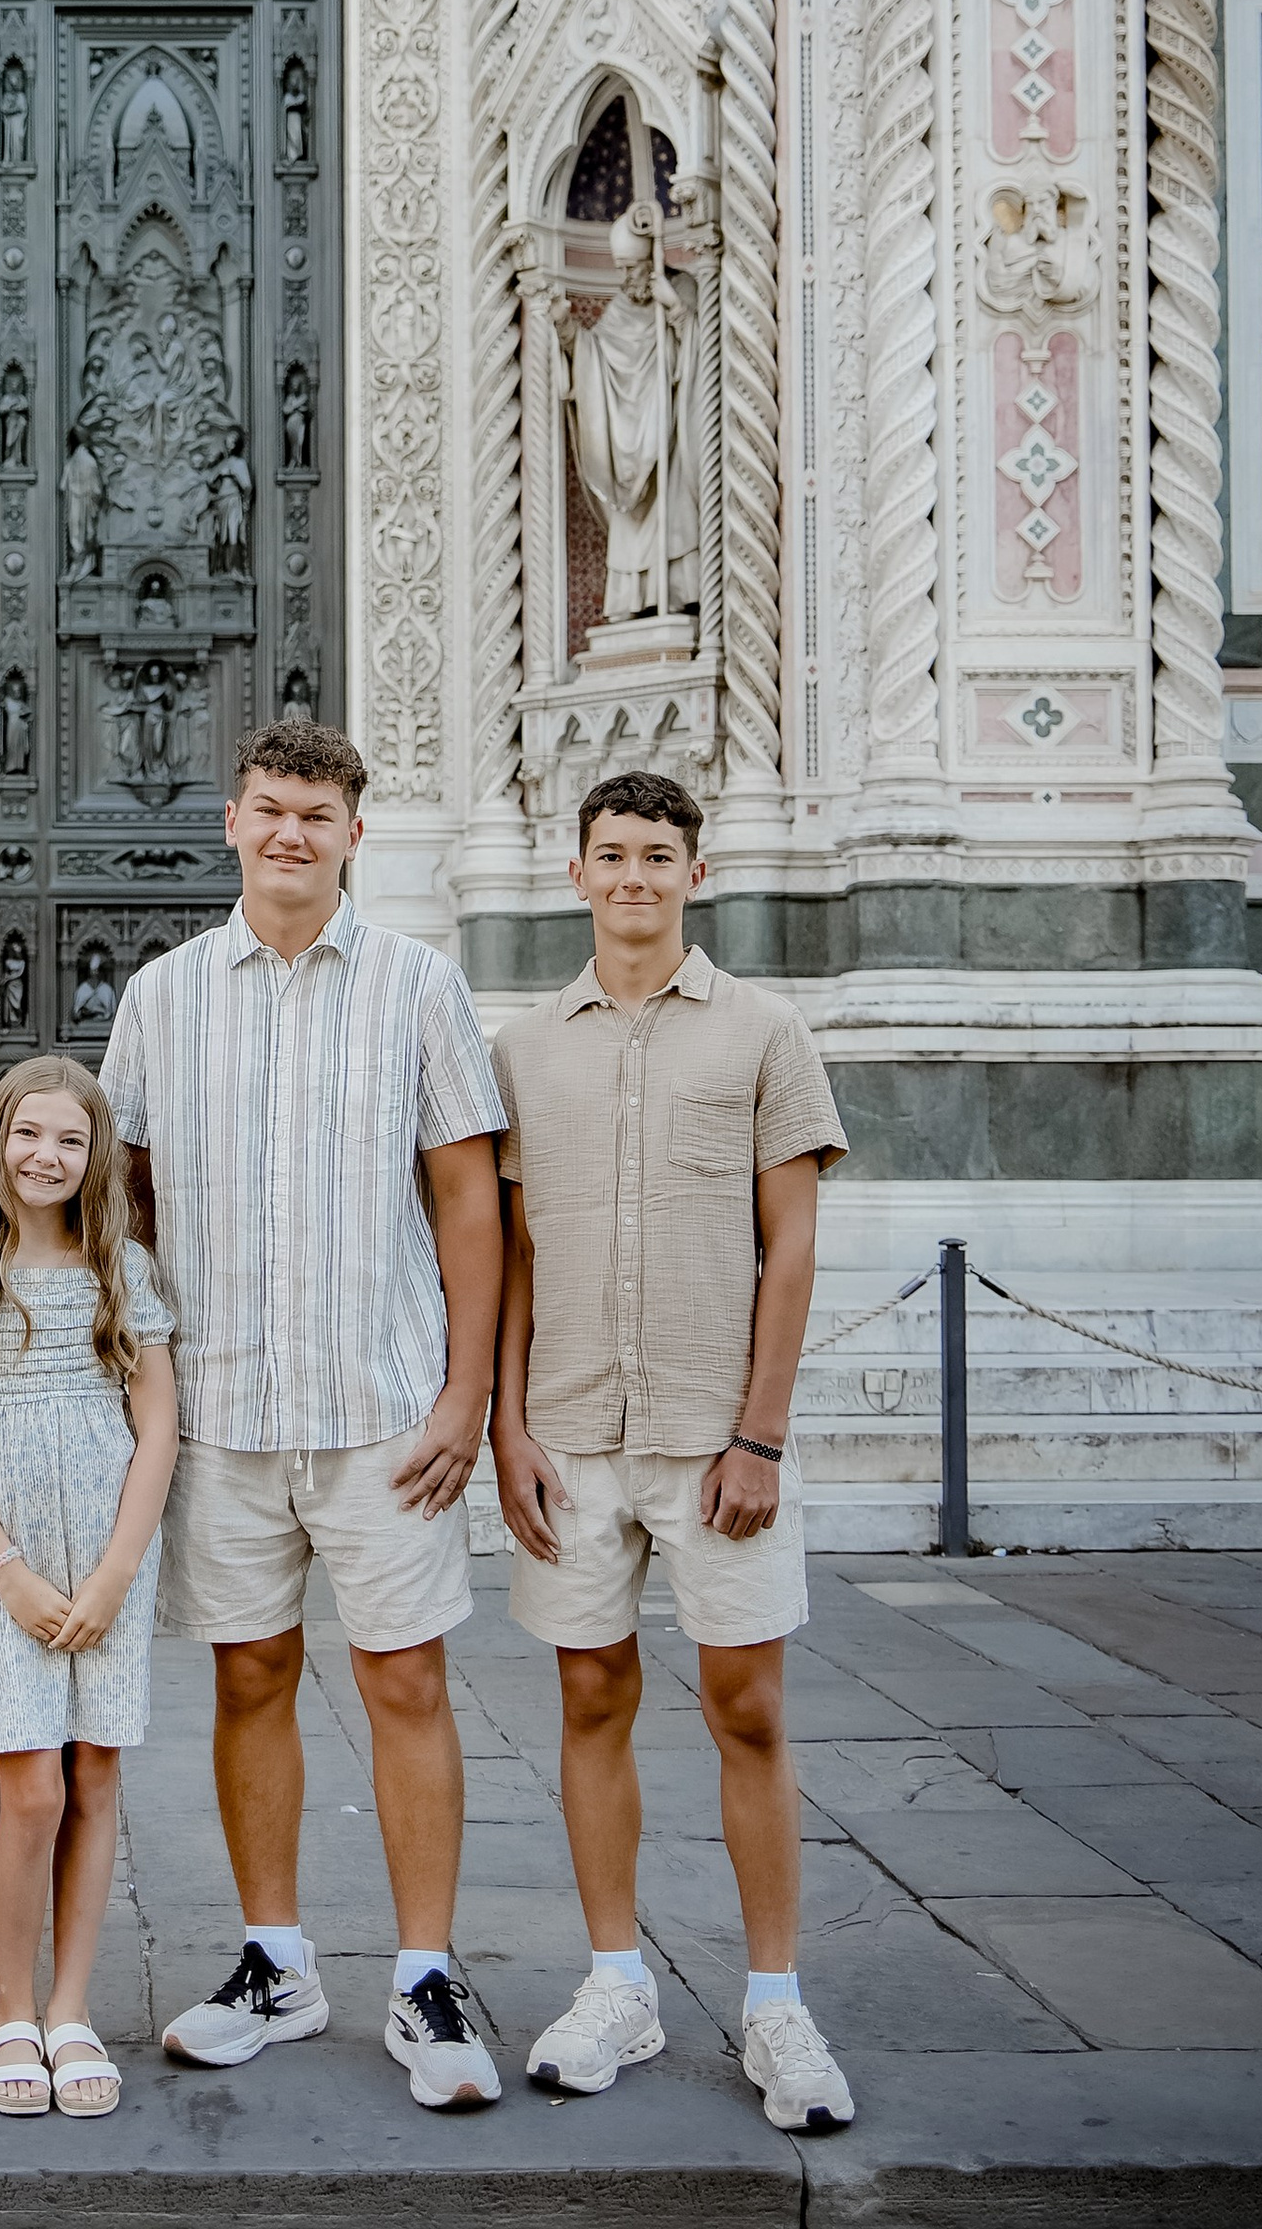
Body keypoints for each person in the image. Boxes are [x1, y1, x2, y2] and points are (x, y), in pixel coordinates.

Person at [100, 719, 507, 2112]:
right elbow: (128, 1191)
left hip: (384, 1402)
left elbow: (466, 1196)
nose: (290, 833)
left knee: (405, 1679)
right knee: (249, 1677)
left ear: (351, 833)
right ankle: (276, 1959)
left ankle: (426, 1971)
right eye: (270, 809)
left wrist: (466, 1389)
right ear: (231, 821)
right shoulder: (162, 995)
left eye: (317, 814)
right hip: (223, 1409)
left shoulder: (419, 986)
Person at [491, 771, 855, 2133]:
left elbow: (796, 1241)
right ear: (575, 872)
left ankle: (775, 2003)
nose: (633, 875)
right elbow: (515, 1251)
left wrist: (762, 1432)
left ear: (694, 874)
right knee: (591, 1699)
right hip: (574, 1430)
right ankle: (616, 1983)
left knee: (747, 1706)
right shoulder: (525, 1048)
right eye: (611, 854)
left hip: (717, 1437)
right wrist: (506, 1422)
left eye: (657, 854)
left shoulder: (764, 1033)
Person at [0, 1060, 180, 2119]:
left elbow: (155, 1426)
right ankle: (8, 2008)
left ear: (94, 1155)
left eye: (69, 1140)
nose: (46, 1157)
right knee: (33, 1789)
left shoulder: (126, 1272)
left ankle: (71, 2008)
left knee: (97, 1779)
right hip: (4, 1550)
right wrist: (4, 1572)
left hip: (110, 1544)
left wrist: (116, 1569)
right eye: (29, 1134)